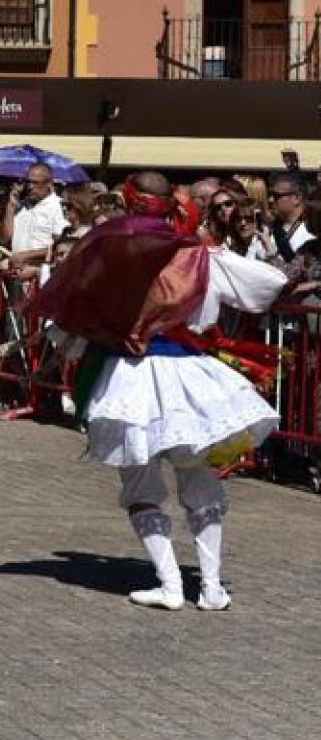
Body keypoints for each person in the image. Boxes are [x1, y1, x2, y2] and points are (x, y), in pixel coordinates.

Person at [31, 172, 287, 611]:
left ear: (130, 205)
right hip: (187, 379)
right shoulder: (198, 256)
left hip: (131, 378)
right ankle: (210, 587)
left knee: (140, 481)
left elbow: (72, 322)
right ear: (172, 205)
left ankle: (170, 585)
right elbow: (268, 284)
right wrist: (216, 253)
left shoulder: (109, 255)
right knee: (198, 478)